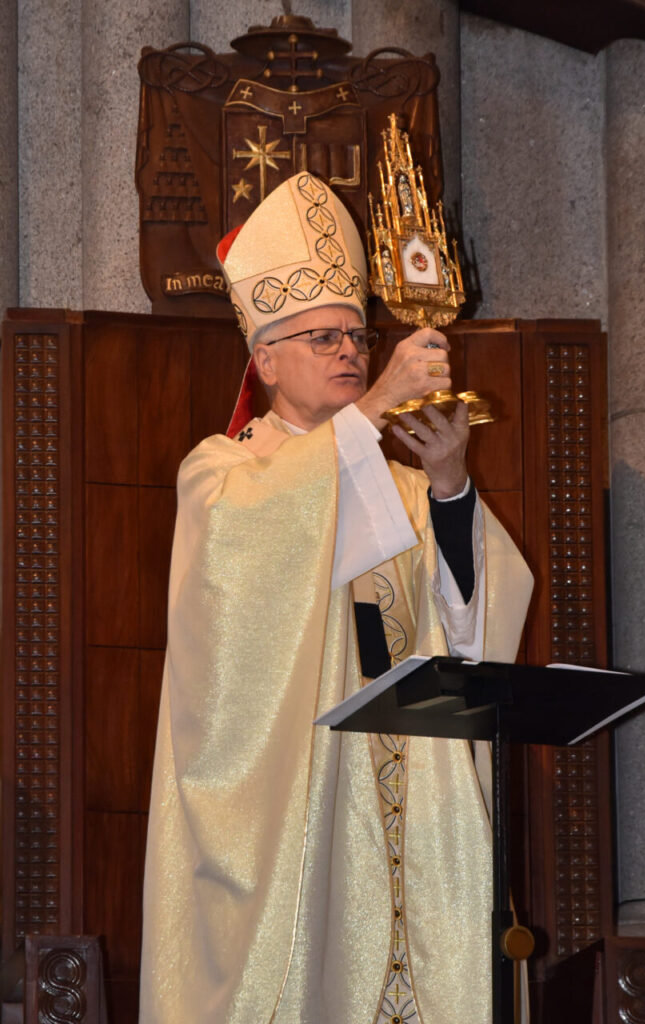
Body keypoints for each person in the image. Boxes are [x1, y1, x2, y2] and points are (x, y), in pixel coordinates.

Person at [139, 172, 533, 1024]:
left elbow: (471, 627)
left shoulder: (399, 483)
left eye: (356, 335)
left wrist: (451, 483)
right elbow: (241, 595)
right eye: (323, 337)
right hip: (297, 807)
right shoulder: (222, 471)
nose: (350, 351)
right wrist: (381, 403)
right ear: (265, 357)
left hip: (407, 802)